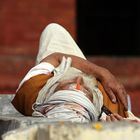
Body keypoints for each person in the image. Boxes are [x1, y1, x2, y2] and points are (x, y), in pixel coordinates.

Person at [11, 23, 139, 123]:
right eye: (85, 92)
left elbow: (55, 57)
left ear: (46, 106)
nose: (79, 80)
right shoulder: (110, 110)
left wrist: (102, 73)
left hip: (59, 70)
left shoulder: (30, 90)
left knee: (53, 30)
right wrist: (121, 130)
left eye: (67, 86)